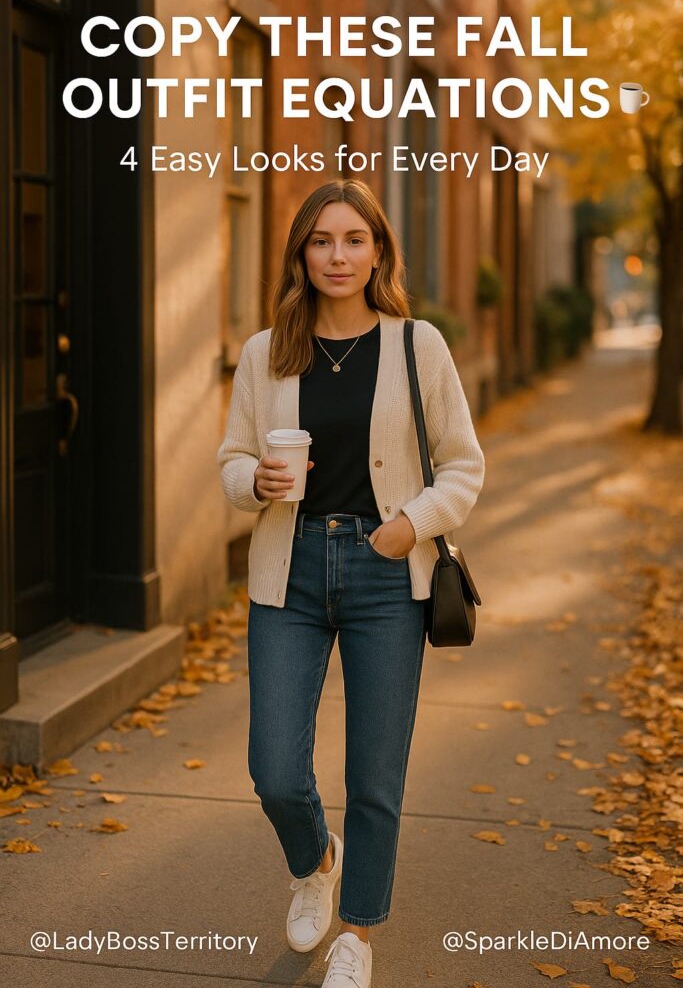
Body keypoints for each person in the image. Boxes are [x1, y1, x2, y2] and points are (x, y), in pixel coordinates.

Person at [217, 178, 485, 988]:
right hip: (289, 569)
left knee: (374, 776)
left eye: (354, 240)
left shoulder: (416, 345)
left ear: (377, 254)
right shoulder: (265, 352)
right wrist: (253, 481)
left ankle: (357, 936)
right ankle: (316, 861)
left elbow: (463, 465)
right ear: (301, 253)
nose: (337, 255)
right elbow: (232, 459)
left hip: (385, 574)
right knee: (274, 770)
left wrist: (412, 522)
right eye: (321, 240)